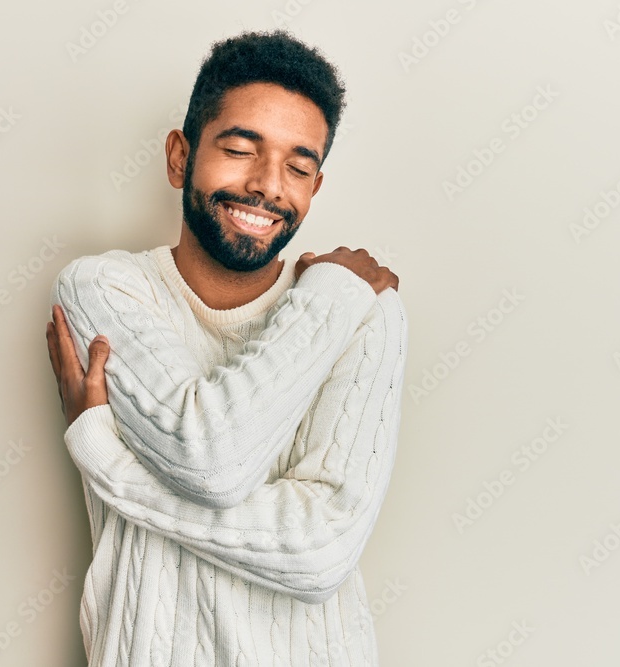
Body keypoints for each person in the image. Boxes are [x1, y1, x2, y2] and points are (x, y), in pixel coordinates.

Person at [46, 29, 407, 666]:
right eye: (241, 149)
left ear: (315, 188)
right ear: (179, 157)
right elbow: (208, 458)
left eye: (298, 167)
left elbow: (320, 554)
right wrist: (326, 299)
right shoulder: (104, 288)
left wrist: (107, 460)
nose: (268, 186)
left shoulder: (361, 312)